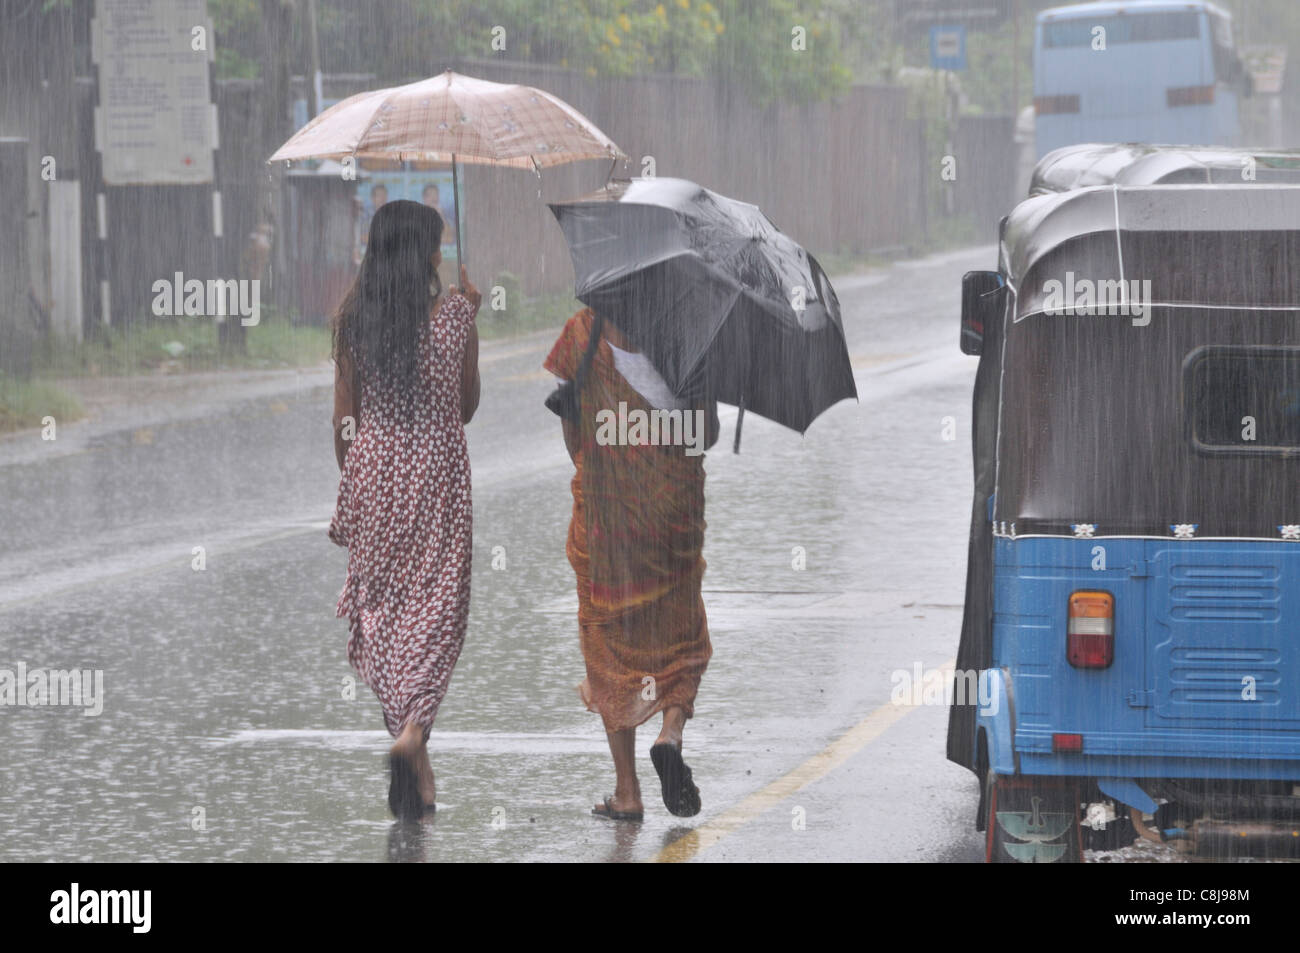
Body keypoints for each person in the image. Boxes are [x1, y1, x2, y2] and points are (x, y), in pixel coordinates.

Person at [328, 199, 481, 821]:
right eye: (437, 244)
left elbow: (344, 417)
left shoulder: (353, 317)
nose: (443, 253)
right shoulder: (453, 316)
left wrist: (359, 475)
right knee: (439, 615)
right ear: (425, 253)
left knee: (387, 619)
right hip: (439, 477)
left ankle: (417, 770)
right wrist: (469, 321)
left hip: (375, 475)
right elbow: (466, 407)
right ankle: (413, 735)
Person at [544, 308, 719, 821]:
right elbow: (702, 434)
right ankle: (670, 732)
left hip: (606, 518)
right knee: (684, 637)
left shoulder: (581, 333)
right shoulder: (691, 333)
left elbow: (574, 435)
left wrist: (610, 468)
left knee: (607, 645)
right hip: (672, 514)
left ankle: (627, 791)